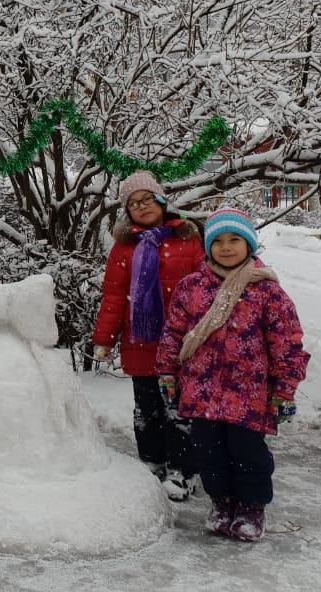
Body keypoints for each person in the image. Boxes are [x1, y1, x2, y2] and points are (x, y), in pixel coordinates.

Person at [156, 207, 309, 542]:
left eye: (235, 240)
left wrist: (285, 389)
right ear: (208, 246)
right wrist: (167, 371)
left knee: (248, 454)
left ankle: (251, 508)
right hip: (202, 390)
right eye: (218, 241)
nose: (226, 247)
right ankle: (222, 503)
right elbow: (173, 332)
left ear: (249, 244)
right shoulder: (192, 287)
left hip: (248, 393)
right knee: (209, 453)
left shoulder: (266, 291)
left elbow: (287, 342)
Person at [90, 169, 204, 500]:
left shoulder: (187, 238)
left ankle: (183, 470)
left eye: (146, 199)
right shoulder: (124, 247)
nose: (140, 207)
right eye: (132, 203)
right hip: (140, 342)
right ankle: (151, 463)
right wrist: (104, 339)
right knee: (147, 407)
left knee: (179, 408)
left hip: (181, 341)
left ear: (161, 199)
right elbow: (114, 297)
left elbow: (205, 288)